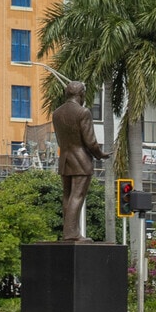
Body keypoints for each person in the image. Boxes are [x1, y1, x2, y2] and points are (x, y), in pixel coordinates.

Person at [51, 80, 109, 242]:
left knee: (67, 196)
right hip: (81, 160)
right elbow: (90, 141)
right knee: (77, 195)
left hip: (65, 158)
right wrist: (100, 154)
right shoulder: (83, 112)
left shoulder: (57, 113)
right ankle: (71, 232)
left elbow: (59, 139)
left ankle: (69, 231)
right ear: (81, 94)